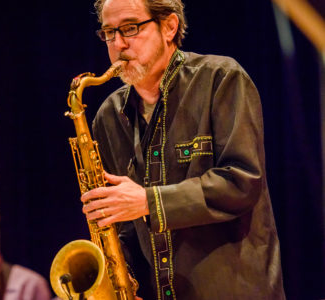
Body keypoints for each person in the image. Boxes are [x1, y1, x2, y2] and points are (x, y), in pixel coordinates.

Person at [80, 0, 286, 299]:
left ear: (169, 26)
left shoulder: (221, 78)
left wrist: (149, 201)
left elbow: (242, 182)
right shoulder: (108, 116)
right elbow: (122, 227)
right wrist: (119, 281)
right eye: (109, 33)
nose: (119, 44)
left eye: (130, 28)